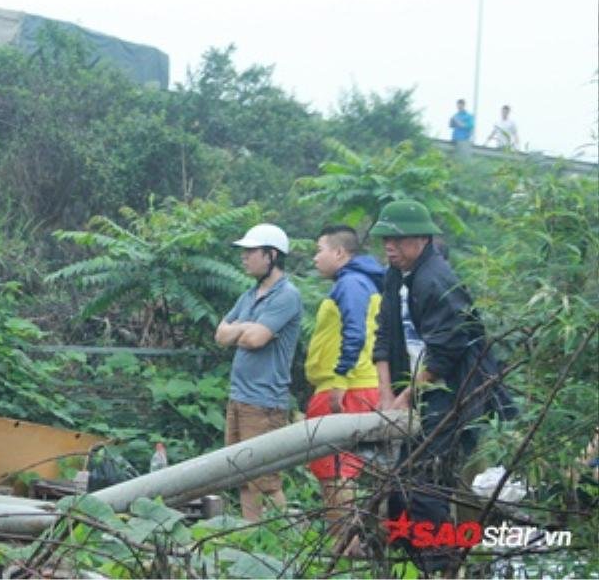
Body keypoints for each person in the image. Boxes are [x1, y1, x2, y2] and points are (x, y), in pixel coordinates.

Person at [370, 200, 514, 573]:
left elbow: (444, 355)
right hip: (418, 388)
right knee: (402, 487)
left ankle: (443, 566)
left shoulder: (437, 280)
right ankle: (413, 561)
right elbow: (384, 333)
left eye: (398, 240)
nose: (390, 247)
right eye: (386, 239)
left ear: (421, 239)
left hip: (455, 392)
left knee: (424, 484)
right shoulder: (394, 274)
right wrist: (387, 396)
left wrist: (405, 398)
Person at [215, 223, 303, 522]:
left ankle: (290, 538)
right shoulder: (249, 295)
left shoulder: (286, 295)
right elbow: (220, 335)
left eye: (251, 251)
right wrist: (246, 328)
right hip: (239, 397)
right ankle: (250, 534)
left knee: (264, 479)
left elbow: (255, 340)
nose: (244, 257)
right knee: (242, 474)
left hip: (264, 401)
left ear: (271, 255)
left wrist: (242, 331)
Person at [305, 225, 385, 535]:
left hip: (346, 386)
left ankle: (344, 549)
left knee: (336, 471)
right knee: (342, 469)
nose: (315, 258)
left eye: (319, 250)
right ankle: (353, 545)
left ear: (339, 253)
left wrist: (339, 378)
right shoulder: (362, 282)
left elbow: (355, 332)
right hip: (354, 383)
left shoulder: (351, 284)